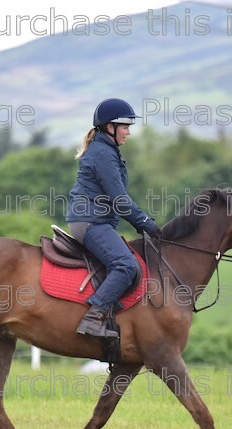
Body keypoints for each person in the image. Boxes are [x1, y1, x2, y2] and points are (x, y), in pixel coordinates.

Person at [66, 98, 162, 339]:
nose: (129, 132)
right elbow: (120, 199)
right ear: (110, 127)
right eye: (125, 126)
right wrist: (147, 224)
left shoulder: (107, 150)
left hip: (94, 220)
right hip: (90, 222)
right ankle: (93, 317)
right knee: (126, 265)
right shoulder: (103, 154)